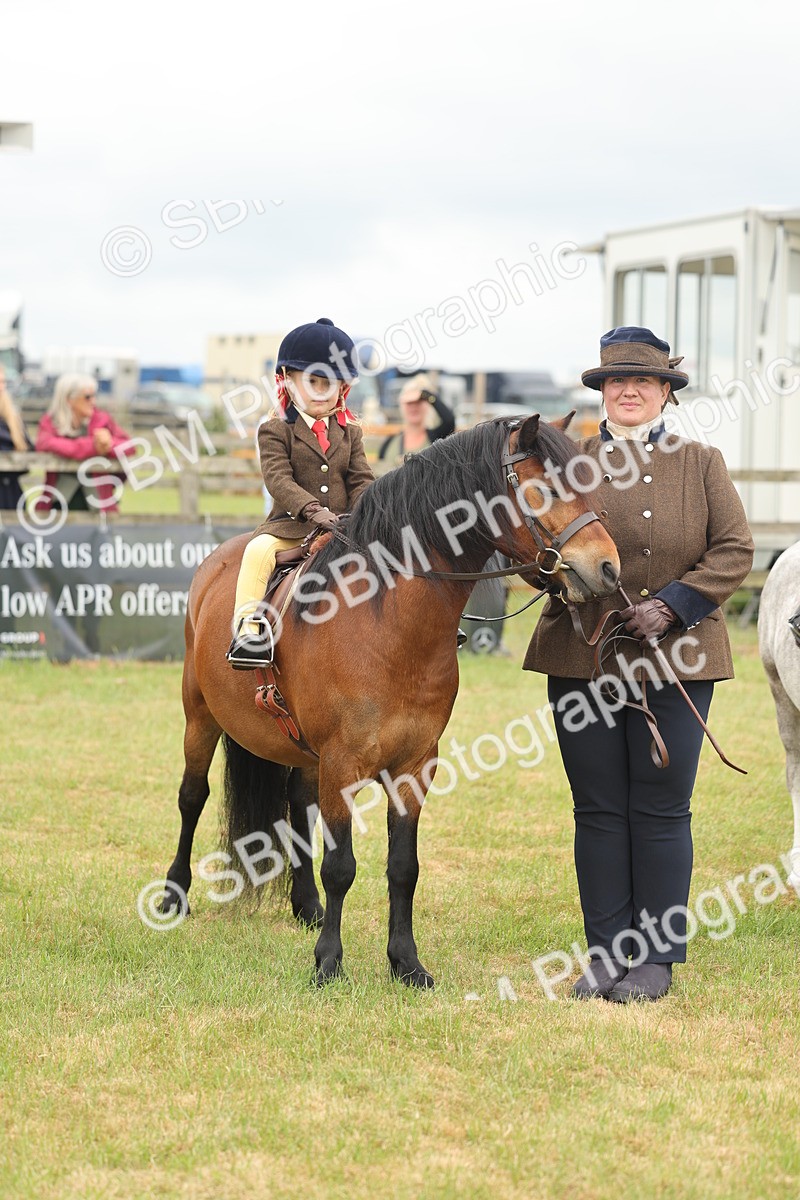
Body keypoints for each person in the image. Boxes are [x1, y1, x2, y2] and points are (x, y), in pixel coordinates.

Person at [524, 327, 754, 1002]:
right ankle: (606, 953)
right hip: (582, 654)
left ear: (665, 394)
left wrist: (675, 606)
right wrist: (569, 581)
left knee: (660, 809)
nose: (628, 391)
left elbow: (734, 550)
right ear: (601, 391)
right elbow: (538, 550)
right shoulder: (571, 463)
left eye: (643, 382)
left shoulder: (701, 462)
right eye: (616, 382)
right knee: (596, 809)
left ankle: (655, 959)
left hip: (678, 657)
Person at [226, 317, 375, 669]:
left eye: (331, 383)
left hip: (345, 527)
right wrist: (311, 510)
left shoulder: (350, 434)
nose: (322, 391)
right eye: (313, 381)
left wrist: (368, 511)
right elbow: (278, 480)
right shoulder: (276, 430)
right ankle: (248, 632)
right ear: (288, 382)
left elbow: (361, 479)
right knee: (256, 552)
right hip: (290, 528)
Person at [35, 374, 131, 512]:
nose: (93, 401)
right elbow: (43, 443)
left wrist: (108, 445)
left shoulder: (102, 419)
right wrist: (92, 446)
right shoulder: (50, 423)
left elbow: (129, 445)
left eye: (94, 396)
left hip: (98, 502)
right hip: (58, 503)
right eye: (87, 397)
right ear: (69, 399)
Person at [378, 373, 455, 466]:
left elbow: (449, 421)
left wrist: (427, 395)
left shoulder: (436, 438)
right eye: (409, 403)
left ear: (428, 405)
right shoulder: (390, 443)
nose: (414, 407)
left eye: (419, 402)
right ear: (402, 406)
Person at [0, 365, 34, 509]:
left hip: (9, 493)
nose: (1, 387)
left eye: (3, 382)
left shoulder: (13, 419)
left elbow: (29, 452)